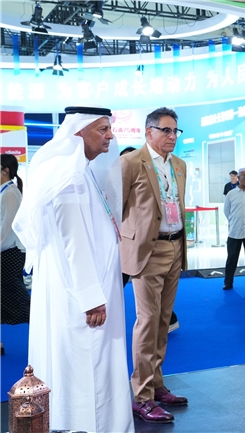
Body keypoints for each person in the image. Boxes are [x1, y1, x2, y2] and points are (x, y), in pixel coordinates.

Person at [12, 106, 134, 432]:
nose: (110, 136)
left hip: (87, 288)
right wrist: (91, 298)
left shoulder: (81, 170)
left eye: (110, 129)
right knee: (86, 365)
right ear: (78, 132)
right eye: (102, 129)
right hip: (81, 296)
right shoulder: (68, 176)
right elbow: (74, 242)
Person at [120, 107, 188, 424]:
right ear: (149, 132)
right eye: (166, 130)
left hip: (175, 246)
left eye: (176, 131)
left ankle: (156, 384)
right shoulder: (131, 162)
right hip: (147, 251)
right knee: (147, 323)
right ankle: (142, 396)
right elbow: (116, 209)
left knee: (163, 322)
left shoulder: (179, 165)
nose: (172, 136)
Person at [119, 146, 180, 333]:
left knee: (159, 302)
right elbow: (116, 208)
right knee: (144, 310)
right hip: (128, 243)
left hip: (156, 242)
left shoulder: (170, 169)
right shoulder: (123, 173)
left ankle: (169, 320)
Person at [1, 154, 31, 356]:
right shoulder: (5, 191)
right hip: (6, 250)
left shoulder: (11, 193)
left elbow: (8, 228)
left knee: (18, 296)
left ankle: (43, 327)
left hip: (10, 252)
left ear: (6, 171)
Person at [223, 167, 245, 290]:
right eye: (244, 177)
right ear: (238, 178)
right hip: (235, 232)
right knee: (231, 259)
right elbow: (226, 211)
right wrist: (234, 221)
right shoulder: (231, 194)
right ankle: (228, 282)